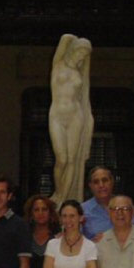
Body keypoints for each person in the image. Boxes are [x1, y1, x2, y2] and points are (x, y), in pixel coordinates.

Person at [49, 34, 94, 204]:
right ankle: (58, 192)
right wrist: (80, 41)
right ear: (72, 51)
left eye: (84, 55)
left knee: (72, 161)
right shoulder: (58, 64)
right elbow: (65, 38)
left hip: (76, 116)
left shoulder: (80, 73)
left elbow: (85, 100)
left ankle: (63, 200)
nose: (81, 57)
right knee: (61, 159)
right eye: (79, 52)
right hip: (58, 116)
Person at [81, 166, 134, 241]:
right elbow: (76, 241)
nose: (101, 185)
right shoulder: (82, 210)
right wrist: (92, 243)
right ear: (90, 186)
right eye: (96, 182)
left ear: (112, 182)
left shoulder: (126, 205)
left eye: (105, 180)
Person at [24, 194, 59, 268]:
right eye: (36, 210)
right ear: (31, 214)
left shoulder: (59, 237)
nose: (41, 213)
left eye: (44, 209)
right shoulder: (24, 238)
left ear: (51, 213)